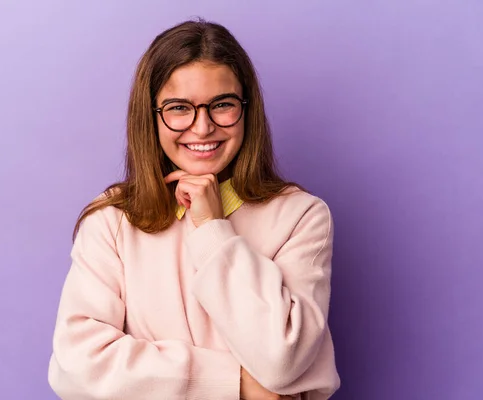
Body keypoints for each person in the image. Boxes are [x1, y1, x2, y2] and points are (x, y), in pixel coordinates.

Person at [48, 19, 340, 400]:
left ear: (246, 110)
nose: (202, 128)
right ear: (151, 116)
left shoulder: (301, 216)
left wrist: (212, 227)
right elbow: (76, 365)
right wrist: (235, 384)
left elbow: (282, 361)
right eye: (179, 108)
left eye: (222, 105)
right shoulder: (112, 221)